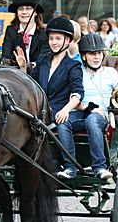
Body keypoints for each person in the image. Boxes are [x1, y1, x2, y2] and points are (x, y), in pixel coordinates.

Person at [13, 17, 83, 179]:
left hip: (58, 111)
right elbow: (31, 84)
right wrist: (23, 67)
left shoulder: (73, 65)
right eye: (51, 38)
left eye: (58, 38)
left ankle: (70, 167)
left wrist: (66, 110)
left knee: (62, 123)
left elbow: (78, 93)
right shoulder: (43, 60)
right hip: (39, 110)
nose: (54, 42)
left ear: (67, 41)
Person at [73, 33, 118, 177]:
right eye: (92, 54)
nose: (96, 57)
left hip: (100, 116)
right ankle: (67, 166)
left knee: (92, 120)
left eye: (99, 53)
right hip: (79, 113)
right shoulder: (77, 72)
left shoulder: (110, 73)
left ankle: (99, 167)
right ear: (84, 56)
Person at [1, 0, 49, 70]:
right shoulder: (10, 31)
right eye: (20, 9)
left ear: (35, 12)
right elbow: (6, 57)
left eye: (28, 9)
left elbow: (44, 59)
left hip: (39, 73)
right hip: (16, 74)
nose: (24, 12)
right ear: (17, 13)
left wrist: (27, 66)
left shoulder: (44, 33)